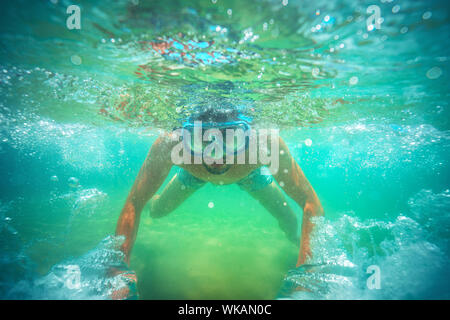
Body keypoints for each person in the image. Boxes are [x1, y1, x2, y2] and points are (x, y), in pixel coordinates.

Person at [114, 104, 324, 294]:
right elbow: (135, 203)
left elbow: (310, 203)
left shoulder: (265, 142)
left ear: (247, 136)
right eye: (201, 141)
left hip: (250, 176)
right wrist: (118, 273)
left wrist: (306, 271)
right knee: (156, 210)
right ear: (186, 137)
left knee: (290, 221)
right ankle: (155, 198)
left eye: (232, 140)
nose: (215, 157)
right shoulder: (170, 144)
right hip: (193, 175)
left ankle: (293, 241)